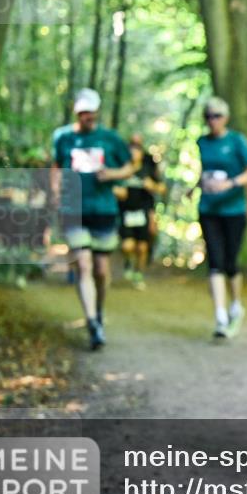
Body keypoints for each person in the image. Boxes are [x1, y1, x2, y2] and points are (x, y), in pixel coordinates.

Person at [51, 88, 136, 350]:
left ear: (97, 112)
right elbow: (55, 167)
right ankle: (91, 323)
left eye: (91, 112)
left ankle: (98, 311)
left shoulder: (110, 139)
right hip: (73, 210)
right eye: (82, 112)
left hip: (103, 210)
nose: (87, 116)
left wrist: (112, 174)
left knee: (100, 269)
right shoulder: (63, 137)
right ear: (76, 113)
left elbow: (130, 166)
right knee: (83, 264)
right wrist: (55, 193)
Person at [194, 97, 247, 339]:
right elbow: (205, 171)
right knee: (215, 261)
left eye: (217, 116)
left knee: (230, 263)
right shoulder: (202, 142)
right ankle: (220, 316)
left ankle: (236, 305)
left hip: (233, 210)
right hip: (208, 209)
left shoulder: (236, 141)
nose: (212, 121)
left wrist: (231, 183)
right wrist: (196, 186)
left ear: (226, 117)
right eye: (208, 116)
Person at [114, 134, 165, 290]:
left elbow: (162, 188)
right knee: (127, 245)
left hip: (144, 213)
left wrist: (152, 186)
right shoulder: (122, 169)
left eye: (137, 150)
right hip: (126, 212)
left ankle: (138, 274)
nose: (134, 153)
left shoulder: (148, 168)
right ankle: (128, 263)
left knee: (142, 247)